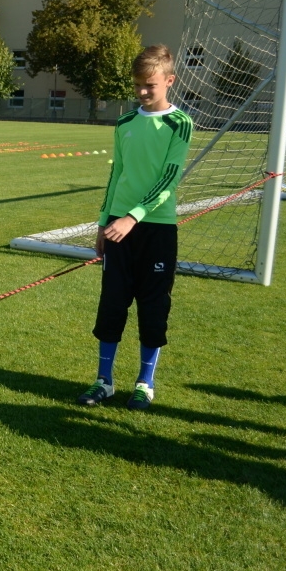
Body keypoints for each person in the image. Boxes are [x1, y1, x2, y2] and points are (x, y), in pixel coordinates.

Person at [78, 44, 193, 410]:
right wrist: (105, 222)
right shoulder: (125, 122)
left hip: (156, 229)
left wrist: (133, 217)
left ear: (169, 81)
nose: (142, 91)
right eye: (138, 84)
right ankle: (104, 381)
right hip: (118, 227)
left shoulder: (180, 123)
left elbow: (169, 179)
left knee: (152, 307)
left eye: (150, 85)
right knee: (112, 304)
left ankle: (145, 383)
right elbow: (117, 174)